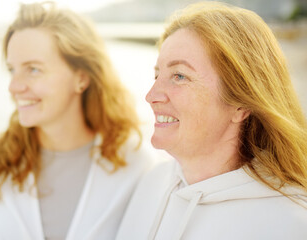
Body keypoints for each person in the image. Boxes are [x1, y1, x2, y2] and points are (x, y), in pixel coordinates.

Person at [116, 2, 307, 240]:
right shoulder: (151, 185)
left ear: (241, 104)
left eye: (179, 76)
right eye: (157, 75)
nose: (151, 96)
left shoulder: (289, 226)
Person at [0, 2, 156, 240]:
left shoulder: (136, 165)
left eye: (33, 69)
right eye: (12, 70)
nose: (14, 86)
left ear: (81, 78)